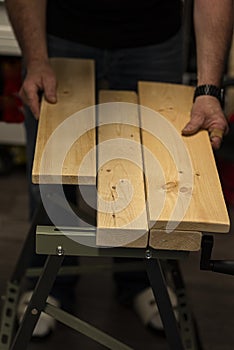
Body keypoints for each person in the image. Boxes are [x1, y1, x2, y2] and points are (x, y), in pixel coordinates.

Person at [5, 0, 233, 337]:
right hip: (63, 32)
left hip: (153, 37)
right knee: (52, 174)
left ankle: (140, 283)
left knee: (150, 175)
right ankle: (48, 285)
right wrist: (37, 59)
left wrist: (209, 90)